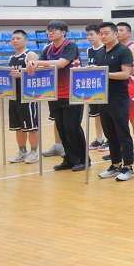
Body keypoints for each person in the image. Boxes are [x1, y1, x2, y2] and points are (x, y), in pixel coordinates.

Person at [26, 21, 86, 172]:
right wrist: (31, 64)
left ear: (63, 32)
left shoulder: (70, 46)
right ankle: (69, 159)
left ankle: (83, 160)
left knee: (72, 127)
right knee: (61, 128)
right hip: (55, 94)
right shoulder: (48, 49)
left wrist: (37, 62)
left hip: (72, 93)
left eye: (54, 30)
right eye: (48, 30)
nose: (50, 32)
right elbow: (40, 63)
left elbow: (61, 63)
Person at [93, 22, 134, 181]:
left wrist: (103, 73)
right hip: (103, 98)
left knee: (123, 133)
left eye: (106, 33)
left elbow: (125, 74)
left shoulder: (124, 51)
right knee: (110, 134)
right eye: (101, 34)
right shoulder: (100, 52)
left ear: (115, 34)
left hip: (119, 98)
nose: (103, 36)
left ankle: (128, 167)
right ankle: (115, 165)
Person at [6, 30, 40, 164]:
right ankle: (22, 152)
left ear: (26, 40)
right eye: (13, 38)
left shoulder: (30, 55)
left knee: (31, 127)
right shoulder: (11, 58)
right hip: (14, 97)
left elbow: (38, 75)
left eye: (18, 38)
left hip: (28, 97)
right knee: (18, 127)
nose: (15, 40)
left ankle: (34, 152)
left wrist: (21, 75)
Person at [115, 22, 134, 162]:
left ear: (128, 33)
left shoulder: (132, 47)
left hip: (130, 88)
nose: (118, 33)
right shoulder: (115, 48)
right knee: (117, 120)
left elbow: (120, 63)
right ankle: (119, 149)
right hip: (117, 88)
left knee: (133, 118)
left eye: (121, 30)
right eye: (116, 30)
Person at [83, 23, 106, 152]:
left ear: (99, 35)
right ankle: (99, 139)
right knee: (96, 115)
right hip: (93, 87)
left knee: (105, 115)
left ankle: (109, 139)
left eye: (91, 34)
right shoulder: (89, 50)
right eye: (87, 35)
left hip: (104, 88)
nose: (89, 37)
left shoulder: (105, 49)